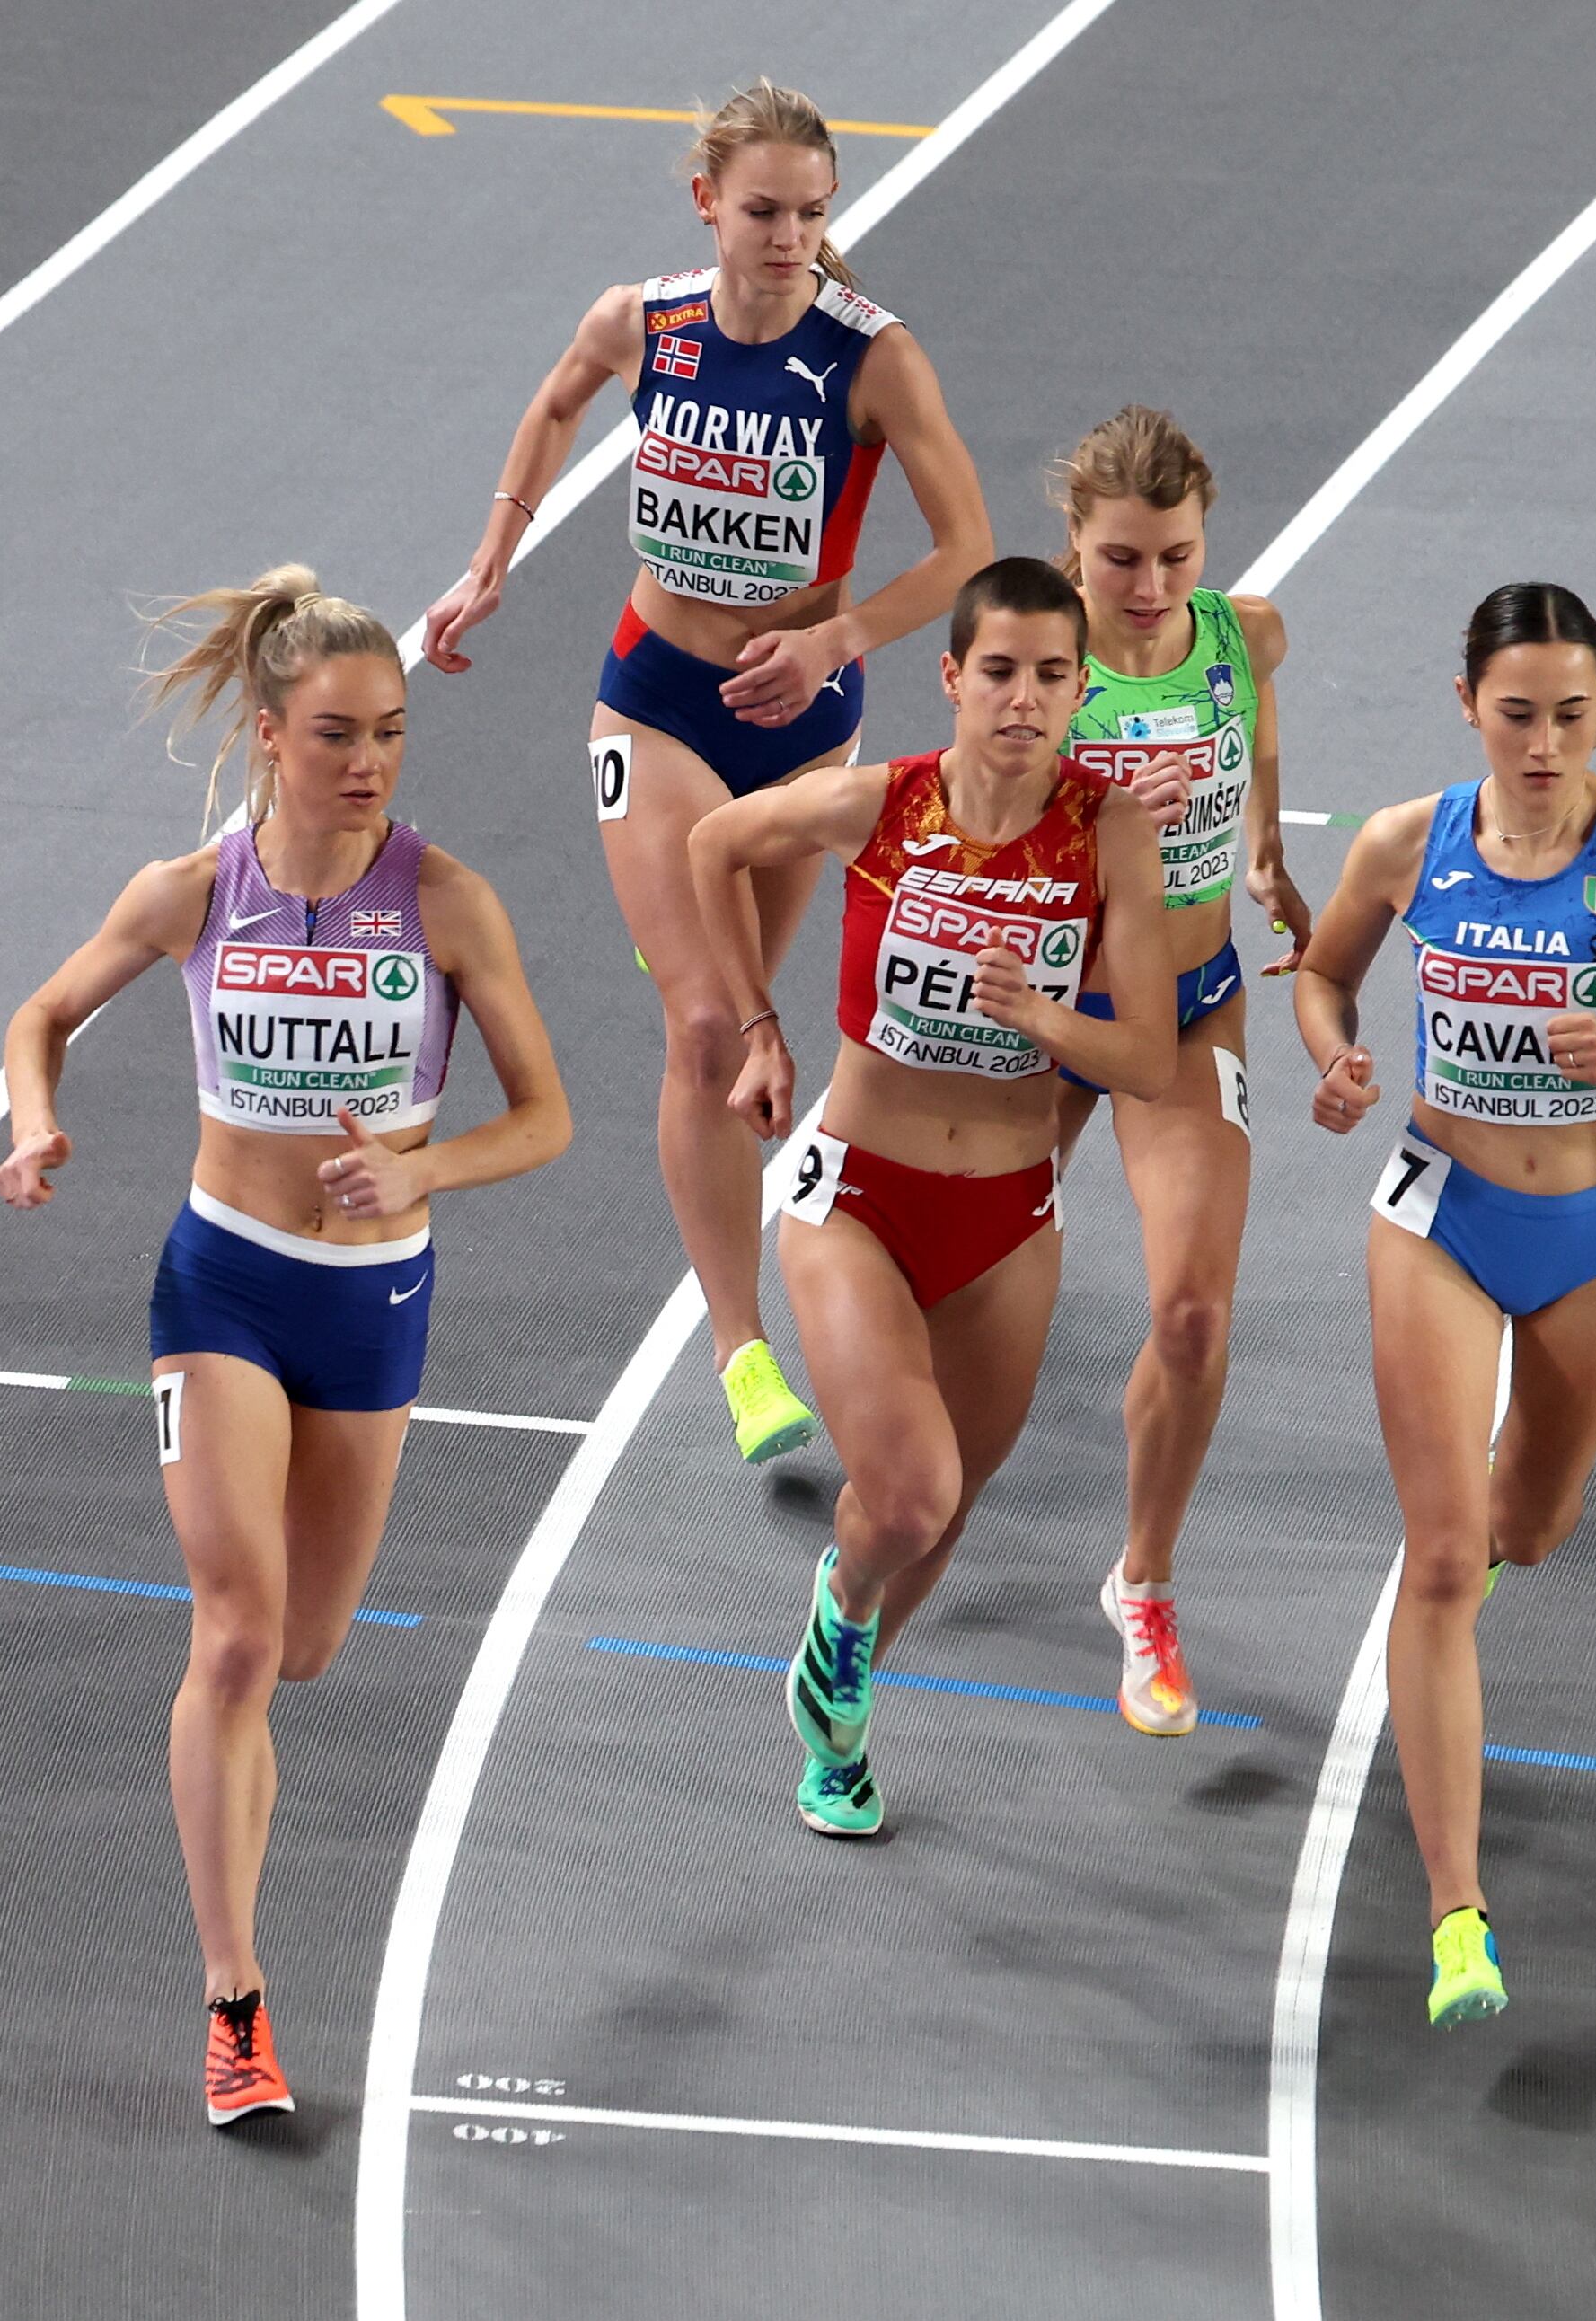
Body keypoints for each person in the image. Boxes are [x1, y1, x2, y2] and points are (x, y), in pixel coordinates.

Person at [0, 570, 571, 2122]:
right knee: (237, 1632)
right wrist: (37, 1118)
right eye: (337, 733)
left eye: (390, 731)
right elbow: (39, 1016)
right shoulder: (191, 891)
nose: (370, 759)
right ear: (267, 734)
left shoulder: (445, 902)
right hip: (225, 1283)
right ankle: (235, 1997)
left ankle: (236, 1936)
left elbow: (547, 1114)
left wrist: (423, 1165)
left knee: (305, 1645)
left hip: (376, 1293)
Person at [420, 79, 992, 1468]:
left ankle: (688, 952)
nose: (791, 234)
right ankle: (742, 1352)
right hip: (660, 701)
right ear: (706, 206)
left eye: (812, 211)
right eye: (764, 211)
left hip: (802, 720)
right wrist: (492, 557)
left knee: (742, 1006)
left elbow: (969, 545)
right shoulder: (646, 322)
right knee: (708, 1031)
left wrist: (839, 636)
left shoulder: (873, 358)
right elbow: (555, 404)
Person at [1294, 584, 1596, 2025]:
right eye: (1517, 715)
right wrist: (1335, 1060)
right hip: (1440, 1215)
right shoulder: (1407, 843)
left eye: (1576, 716)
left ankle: (1510, 1537)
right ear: (1468, 706)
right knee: (1445, 1559)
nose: (1547, 745)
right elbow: (1326, 977)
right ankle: (1461, 1914)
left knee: (1531, 1524)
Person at [686, 558, 1174, 1838]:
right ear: (953, 678)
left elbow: (1155, 1058)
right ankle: (840, 1618)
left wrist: (1046, 1016)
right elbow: (712, 843)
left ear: (1081, 689)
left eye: (1053, 676)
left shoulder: (1109, 830)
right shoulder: (881, 806)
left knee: (942, 1507)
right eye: (1000, 672)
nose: (1025, 699)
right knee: (905, 1494)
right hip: (858, 1195)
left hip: (1009, 1219)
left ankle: (837, 1728)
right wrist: (756, 1030)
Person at [1043, 407, 1309, 1735]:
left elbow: (1255, 732)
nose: (1151, 593)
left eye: (1176, 559)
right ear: (1072, 550)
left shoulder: (1240, 634)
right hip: (1037, 1018)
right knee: (955, 1307)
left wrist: (1264, 851)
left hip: (1193, 1012)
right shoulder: (1032, 666)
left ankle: (1143, 1582)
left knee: (1196, 1318)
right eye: (1121, 563)